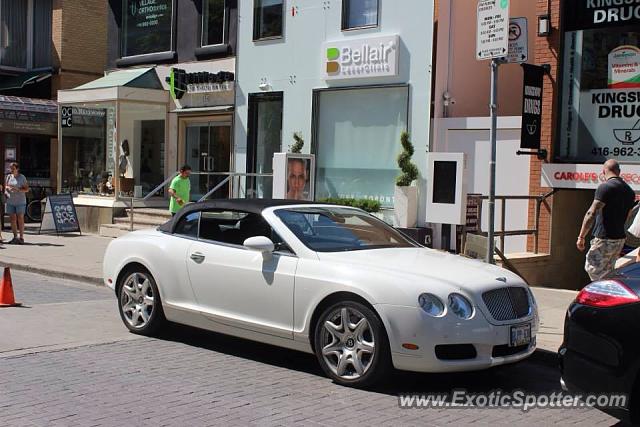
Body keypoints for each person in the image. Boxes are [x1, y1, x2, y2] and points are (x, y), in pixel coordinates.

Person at [577, 159, 636, 281]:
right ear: (618, 172)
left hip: (604, 237)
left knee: (592, 268)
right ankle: (607, 291)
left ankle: (602, 293)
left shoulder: (605, 187)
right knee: (608, 269)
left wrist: (581, 236)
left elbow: (591, 213)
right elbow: (629, 214)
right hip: (619, 238)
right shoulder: (629, 191)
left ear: (604, 171)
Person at [5, 163, 29, 245]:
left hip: (20, 201)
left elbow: (26, 189)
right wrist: (7, 188)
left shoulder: (22, 177)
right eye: (10, 168)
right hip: (10, 201)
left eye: (13, 168)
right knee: (12, 219)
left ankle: (21, 237)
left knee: (20, 218)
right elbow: (6, 186)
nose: (11, 170)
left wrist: (18, 189)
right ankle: (15, 237)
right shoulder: (8, 177)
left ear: (17, 169)